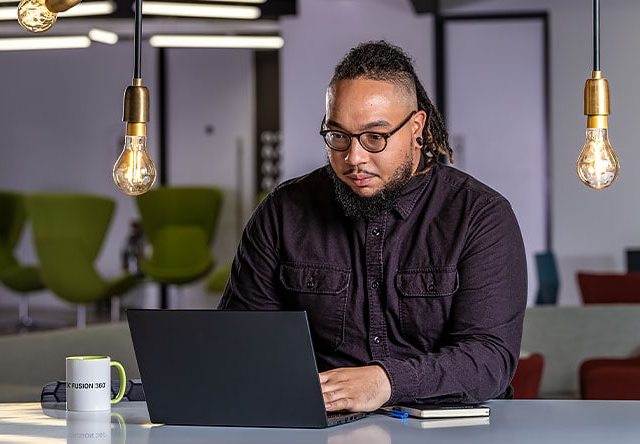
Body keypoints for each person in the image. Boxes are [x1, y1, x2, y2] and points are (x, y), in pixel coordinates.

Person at [218, 40, 527, 413]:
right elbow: (241, 341)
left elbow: (489, 359)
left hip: (452, 429)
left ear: (416, 127)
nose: (354, 158)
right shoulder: (283, 212)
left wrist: (386, 381)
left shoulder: (481, 216)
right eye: (338, 136)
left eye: (375, 137)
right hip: (321, 427)